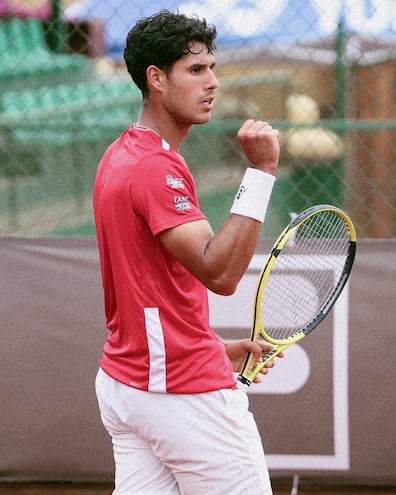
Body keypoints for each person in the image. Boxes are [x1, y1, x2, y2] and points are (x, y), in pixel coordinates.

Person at [93, 10, 281, 495]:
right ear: (156, 79)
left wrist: (213, 347)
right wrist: (261, 172)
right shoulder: (156, 168)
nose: (212, 82)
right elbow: (219, 271)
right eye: (195, 70)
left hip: (127, 384)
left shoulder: (121, 155)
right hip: (180, 394)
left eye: (212, 68)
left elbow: (145, 290)